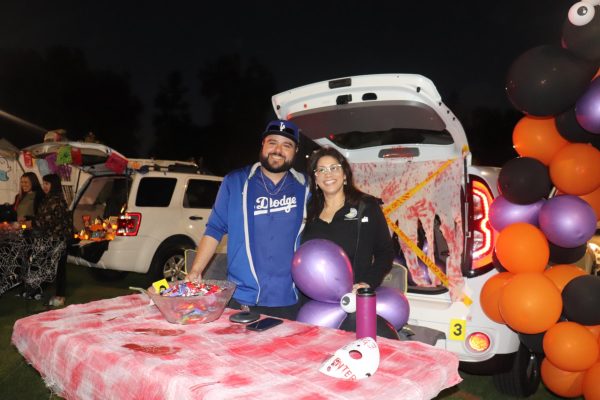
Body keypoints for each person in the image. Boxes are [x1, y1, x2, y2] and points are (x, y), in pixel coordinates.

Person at [187, 120, 309, 320]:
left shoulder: (306, 187)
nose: (278, 150)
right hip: (241, 298)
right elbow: (214, 229)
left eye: (286, 145)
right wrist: (196, 270)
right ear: (262, 145)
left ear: (295, 151)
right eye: (272, 142)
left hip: (289, 299)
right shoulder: (234, 182)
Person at [301, 147, 394, 292]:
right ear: (316, 179)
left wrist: (367, 283)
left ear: (344, 174)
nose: (328, 174)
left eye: (334, 168)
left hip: (352, 298)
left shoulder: (366, 206)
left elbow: (385, 252)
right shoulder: (308, 211)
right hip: (312, 299)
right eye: (322, 170)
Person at [31, 174, 72, 307]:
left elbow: (48, 219)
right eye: (44, 184)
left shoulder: (57, 200)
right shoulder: (48, 198)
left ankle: (60, 295)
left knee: (60, 268)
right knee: (46, 265)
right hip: (48, 238)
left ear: (54, 185)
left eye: (47, 184)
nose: (44, 187)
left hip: (58, 239)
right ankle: (41, 291)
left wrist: (33, 222)